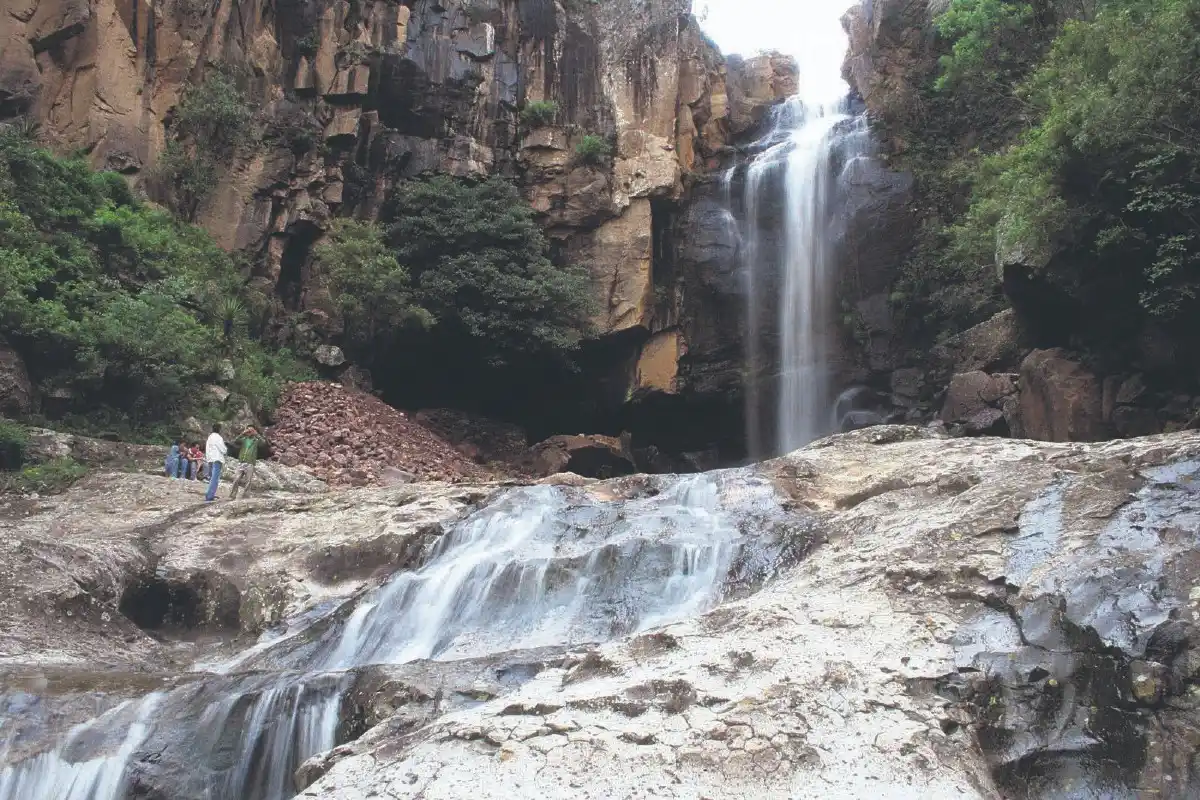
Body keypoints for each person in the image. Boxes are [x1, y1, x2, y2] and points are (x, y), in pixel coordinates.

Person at [229, 426, 264, 500]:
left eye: (250, 430)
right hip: (241, 462)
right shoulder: (244, 439)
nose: (249, 432)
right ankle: (232, 495)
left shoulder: (256, 440)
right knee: (236, 479)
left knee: (248, 481)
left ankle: (246, 496)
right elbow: (235, 441)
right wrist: (242, 433)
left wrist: (256, 434)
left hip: (250, 462)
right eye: (248, 430)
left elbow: (263, 443)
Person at [204, 423, 227, 502]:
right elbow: (223, 450)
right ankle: (210, 496)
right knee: (215, 478)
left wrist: (208, 459)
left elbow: (207, 449)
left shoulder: (210, 437)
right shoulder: (218, 437)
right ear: (219, 429)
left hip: (210, 459)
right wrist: (226, 449)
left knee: (211, 478)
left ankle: (209, 493)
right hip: (217, 459)